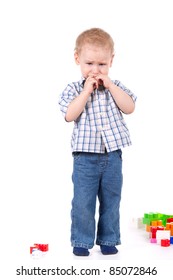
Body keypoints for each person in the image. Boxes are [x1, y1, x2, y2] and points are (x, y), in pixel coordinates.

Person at [59, 28, 137, 256]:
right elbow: (69, 115)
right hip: (85, 158)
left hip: (113, 156)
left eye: (102, 64)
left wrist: (111, 86)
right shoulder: (73, 89)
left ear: (111, 61)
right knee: (83, 203)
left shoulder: (116, 87)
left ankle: (108, 239)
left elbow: (130, 107)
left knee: (112, 200)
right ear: (77, 59)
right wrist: (85, 92)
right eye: (89, 63)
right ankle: (82, 242)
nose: (95, 70)